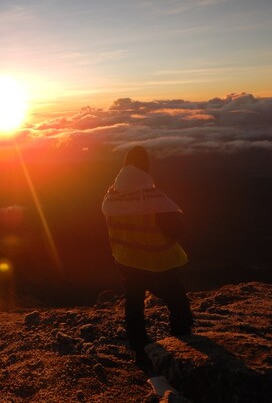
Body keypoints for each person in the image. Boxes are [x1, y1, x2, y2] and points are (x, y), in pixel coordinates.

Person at [102, 146, 193, 374]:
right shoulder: (153, 198)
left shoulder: (111, 195)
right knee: (177, 302)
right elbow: (176, 230)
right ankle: (182, 344)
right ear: (145, 168)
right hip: (156, 263)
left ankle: (139, 348)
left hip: (126, 261)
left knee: (134, 304)